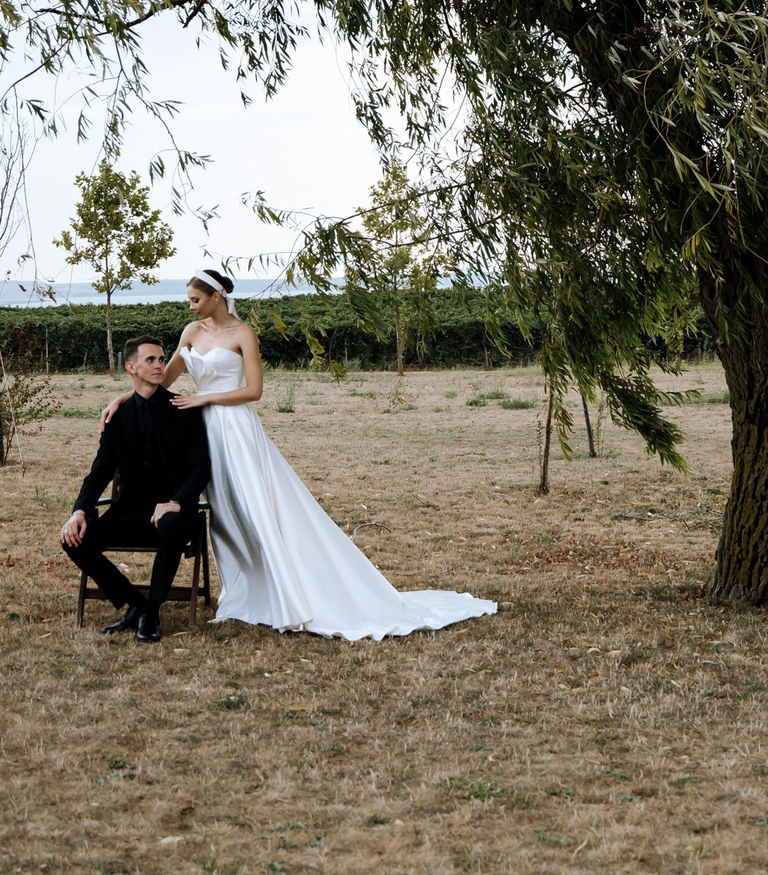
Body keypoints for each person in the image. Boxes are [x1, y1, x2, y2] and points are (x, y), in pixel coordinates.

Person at [105, 268, 497, 640]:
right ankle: (246, 592)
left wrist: (206, 396)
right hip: (200, 428)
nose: (190, 306)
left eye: (195, 299)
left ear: (216, 297)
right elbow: (163, 378)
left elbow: (254, 391)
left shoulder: (244, 333)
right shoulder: (191, 331)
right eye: (189, 300)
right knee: (226, 515)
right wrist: (121, 399)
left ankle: (288, 592)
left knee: (256, 507)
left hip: (235, 427)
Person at [60, 335, 211, 643]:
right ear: (131, 367)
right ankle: (138, 605)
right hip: (129, 513)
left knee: (170, 524)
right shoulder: (118, 418)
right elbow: (99, 471)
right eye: (150, 360)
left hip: (174, 515)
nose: (159, 365)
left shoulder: (183, 409)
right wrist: (79, 511)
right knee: (73, 540)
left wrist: (178, 502)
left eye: (161, 359)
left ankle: (151, 610)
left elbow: (201, 468)